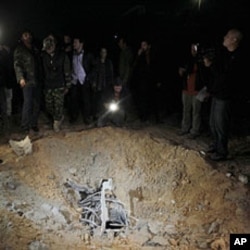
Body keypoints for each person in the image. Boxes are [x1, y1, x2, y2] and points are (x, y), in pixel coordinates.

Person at [206, 28, 246, 161]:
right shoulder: (224, 54)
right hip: (217, 93)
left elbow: (226, 77)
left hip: (226, 96)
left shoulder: (238, 58)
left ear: (234, 40)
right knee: (213, 123)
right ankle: (216, 144)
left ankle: (222, 152)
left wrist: (211, 66)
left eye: (227, 36)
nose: (224, 37)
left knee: (221, 124)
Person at [13, 29, 43, 133]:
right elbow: (17, 65)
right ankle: (25, 126)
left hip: (37, 80)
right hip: (27, 80)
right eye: (25, 35)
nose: (28, 37)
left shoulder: (34, 49)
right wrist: (20, 77)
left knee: (37, 103)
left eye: (29, 35)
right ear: (22, 38)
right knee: (27, 103)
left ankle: (33, 124)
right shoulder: (19, 50)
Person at [41, 34, 71, 132]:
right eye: (46, 48)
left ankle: (57, 122)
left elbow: (67, 70)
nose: (48, 50)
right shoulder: (43, 55)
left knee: (58, 105)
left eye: (49, 48)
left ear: (53, 46)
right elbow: (41, 70)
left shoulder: (62, 55)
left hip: (59, 84)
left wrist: (68, 85)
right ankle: (57, 117)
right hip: (48, 85)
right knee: (49, 106)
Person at [178, 43, 205, 139]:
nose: (193, 50)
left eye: (195, 48)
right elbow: (182, 72)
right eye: (192, 48)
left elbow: (204, 74)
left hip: (197, 90)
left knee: (196, 111)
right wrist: (181, 71)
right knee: (186, 110)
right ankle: (185, 128)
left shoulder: (201, 60)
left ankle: (195, 130)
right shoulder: (186, 59)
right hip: (186, 89)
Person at [68, 36, 96, 124]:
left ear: (81, 44)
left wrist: (89, 77)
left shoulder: (88, 55)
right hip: (75, 80)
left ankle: (87, 117)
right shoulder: (72, 54)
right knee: (74, 100)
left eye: (76, 42)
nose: (74, 44)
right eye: (73, 42)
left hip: (84, 80)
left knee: (86, 100)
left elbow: (95, 67)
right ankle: (74, 117)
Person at [92, 47, 114, 120]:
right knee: (97, 101)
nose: (103, 54)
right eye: (102, 52)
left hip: (106, 85)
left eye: (105, 52)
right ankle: (97, 116)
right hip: (98, 84)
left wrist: (110, 84)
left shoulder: (109, 62)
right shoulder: (97, 61)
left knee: (106, 100)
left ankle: (106, 116)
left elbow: (111, 74)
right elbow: (94, 72)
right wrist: (94, 82)